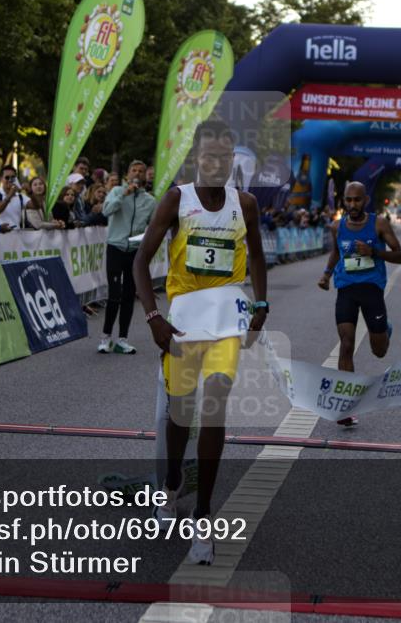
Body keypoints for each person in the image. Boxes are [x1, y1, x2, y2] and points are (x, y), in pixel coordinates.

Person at [133, 119, 267, 565]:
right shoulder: (177, 199)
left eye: (224, 158)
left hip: (227, 321)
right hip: (184, 323)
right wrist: (153, 316)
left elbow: (259, 258)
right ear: (196, 159)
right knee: (180, 412)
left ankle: (205, 519)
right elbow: (140, 262)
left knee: (213, 409)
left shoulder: (244, 203)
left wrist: (261, 303)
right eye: (208, 157)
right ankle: (171, 484)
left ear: (232, 161)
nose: (216, 165)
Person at [318, 181, 401, 427]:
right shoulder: (337, 227)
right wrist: (326, 274)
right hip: (346, 288)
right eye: (348, 200)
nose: (352, 205)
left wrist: (374, 252)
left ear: (365, 200)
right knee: (346, 343)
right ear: (343, 201)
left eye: (357, 200)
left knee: (379, 350)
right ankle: (345, 405)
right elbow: (337, 253)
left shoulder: (379, 224)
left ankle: (384, 329)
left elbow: (400, 256)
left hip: (372, 289)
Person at [99, 160, 156, 354]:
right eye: (134, 170)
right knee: (114, 295)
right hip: (115, 247)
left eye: (141, 171)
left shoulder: (149, 201)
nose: (138, 174)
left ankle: (122, 339)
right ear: (127, 174)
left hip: (134, 252)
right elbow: (106, 211)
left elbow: (154, 228)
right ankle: (105, 337)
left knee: (129, 296)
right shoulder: (116, 192)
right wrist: (124, 194)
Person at [0, 164, 26, 230]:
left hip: (16, 234)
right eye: (7, 177)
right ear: (1, 179)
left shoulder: (20, 195)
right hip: (0, 234)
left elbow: (35, 205)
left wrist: (30, 192)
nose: (10, 180)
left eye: (13, 177)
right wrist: (10, 195)